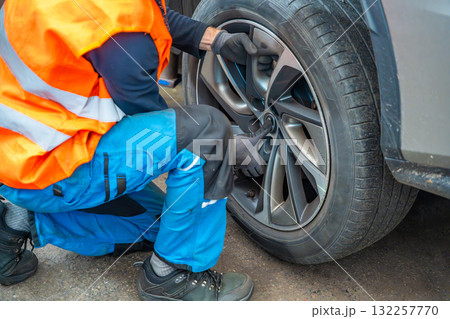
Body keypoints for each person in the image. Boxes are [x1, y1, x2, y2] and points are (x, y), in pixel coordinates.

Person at [0, 0, 271, 301]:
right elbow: (158, 125)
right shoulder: (120, 38)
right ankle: (172, 277)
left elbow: (143, 19)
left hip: (17, 160)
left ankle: (18, 221)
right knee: (205, 134)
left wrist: (214, 39)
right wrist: (229, 147)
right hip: (56, 166)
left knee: (164, 224)